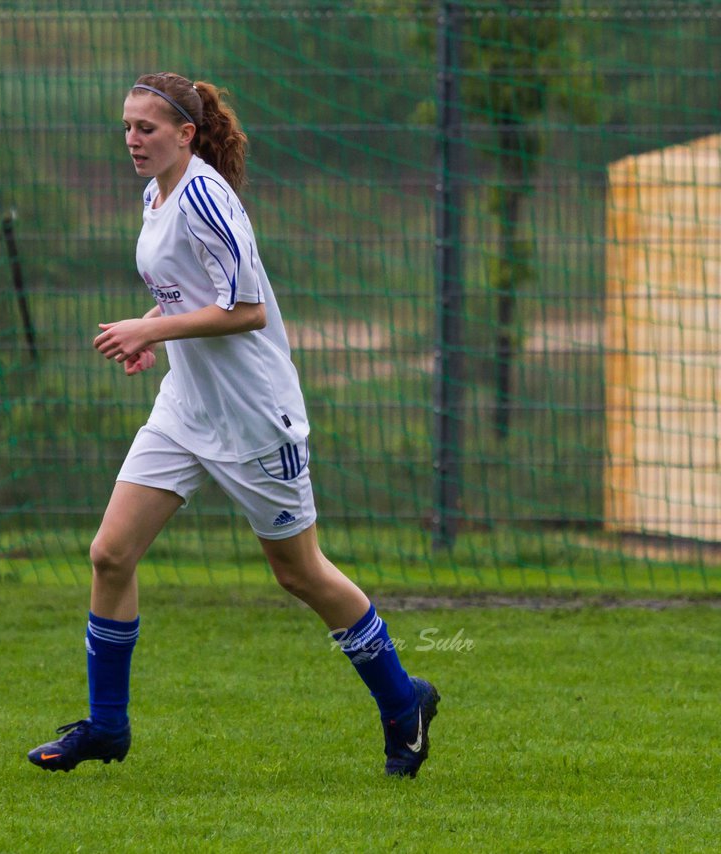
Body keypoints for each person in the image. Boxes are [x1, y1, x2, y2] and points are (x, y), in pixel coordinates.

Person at [27, 72, 440, 777]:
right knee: (110, 554)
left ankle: (404, 703)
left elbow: (245, 307)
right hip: (187, 408)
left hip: (253, 418)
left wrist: (145, 327)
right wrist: (152, 332)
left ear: (186, 134)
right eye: (126, 126)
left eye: (147, 128)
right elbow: (190, 292)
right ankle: (106, 726)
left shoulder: (207, 197)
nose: (132, 139)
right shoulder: (154, 194)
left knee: (299, 573)